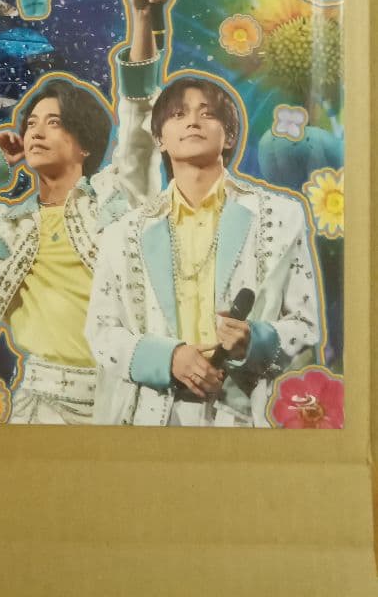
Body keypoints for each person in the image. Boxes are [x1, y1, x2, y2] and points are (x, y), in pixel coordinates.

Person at [0, 0, 168, 424]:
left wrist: (142, 20)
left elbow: (139, 119)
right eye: (31, 123)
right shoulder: (3, 228)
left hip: (127, 395)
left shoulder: (117, 198)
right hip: (41, 398)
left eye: (54, 122)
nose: (36, 131)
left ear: (84, 144)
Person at [85, 76, 321, 427]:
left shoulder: (281, 217)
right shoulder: (124, 232)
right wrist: (168, 358)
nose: (193, 121)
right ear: (159, 139)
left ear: (229, 136)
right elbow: (101, 331)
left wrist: (252, 341)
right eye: (178, 114)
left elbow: (305, 327)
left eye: (207, 114)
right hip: (150, 418)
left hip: (243, 417)